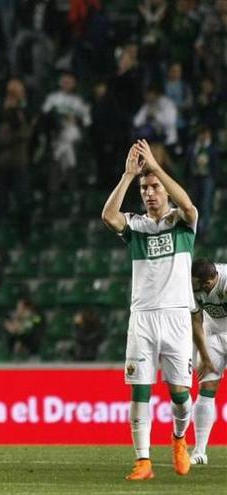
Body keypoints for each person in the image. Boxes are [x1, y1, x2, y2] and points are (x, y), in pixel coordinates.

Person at [101, 139, 197, 480]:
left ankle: (179, 438)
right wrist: (129, 177)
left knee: (181, 396)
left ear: (165, 190)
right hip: (142, 318)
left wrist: (155, 167)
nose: (150, 193)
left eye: (154, 187)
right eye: (146, 188)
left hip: (176, 318)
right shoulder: (136, 227)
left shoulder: (182, 223)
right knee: (140, 389)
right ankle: (143, 461)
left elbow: (188, 205)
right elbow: (108, 216)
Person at [187, 259, 227, 466]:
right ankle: (200, 451)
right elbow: (196, 321)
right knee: (206, 388)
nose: (200, 288)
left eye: (205, 284)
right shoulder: (191, 288)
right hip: (212, 335)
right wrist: (203, 354)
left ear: (213, 280)